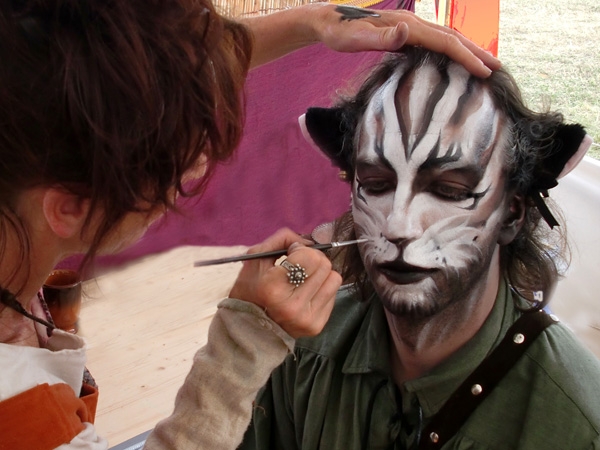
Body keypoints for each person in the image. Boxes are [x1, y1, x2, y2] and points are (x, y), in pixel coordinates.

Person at [0, 0, 502, 449]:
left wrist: (314, 22)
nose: (197, 166)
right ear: (71, 207)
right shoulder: (19, 410)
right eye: (167, 164)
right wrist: (245, 341)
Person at [239, 46, 600, 450]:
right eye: (376, 184)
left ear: (511, 214)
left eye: (449, 190)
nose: (399, 226)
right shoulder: (301, 349)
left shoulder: (577, 427)